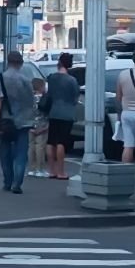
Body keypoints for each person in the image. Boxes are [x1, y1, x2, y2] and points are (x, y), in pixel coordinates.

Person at [0, 47, 47, 195]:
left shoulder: (0, 78)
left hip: (6, 120)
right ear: (21, 63)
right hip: (24, 120)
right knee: (21, 153)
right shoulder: (25, 80)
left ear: (8, 62)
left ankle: (7, 181)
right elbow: (31, 102)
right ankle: (17, 183)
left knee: (5, 151)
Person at [42, 51, 82, 181]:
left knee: (51, 141)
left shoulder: (52, 78)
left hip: (53, 111)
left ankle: (51, 171)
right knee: (61, 142)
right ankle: (61, 172)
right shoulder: (72, 80)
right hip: (67, 113)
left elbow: (49, 94)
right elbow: (75, 97)